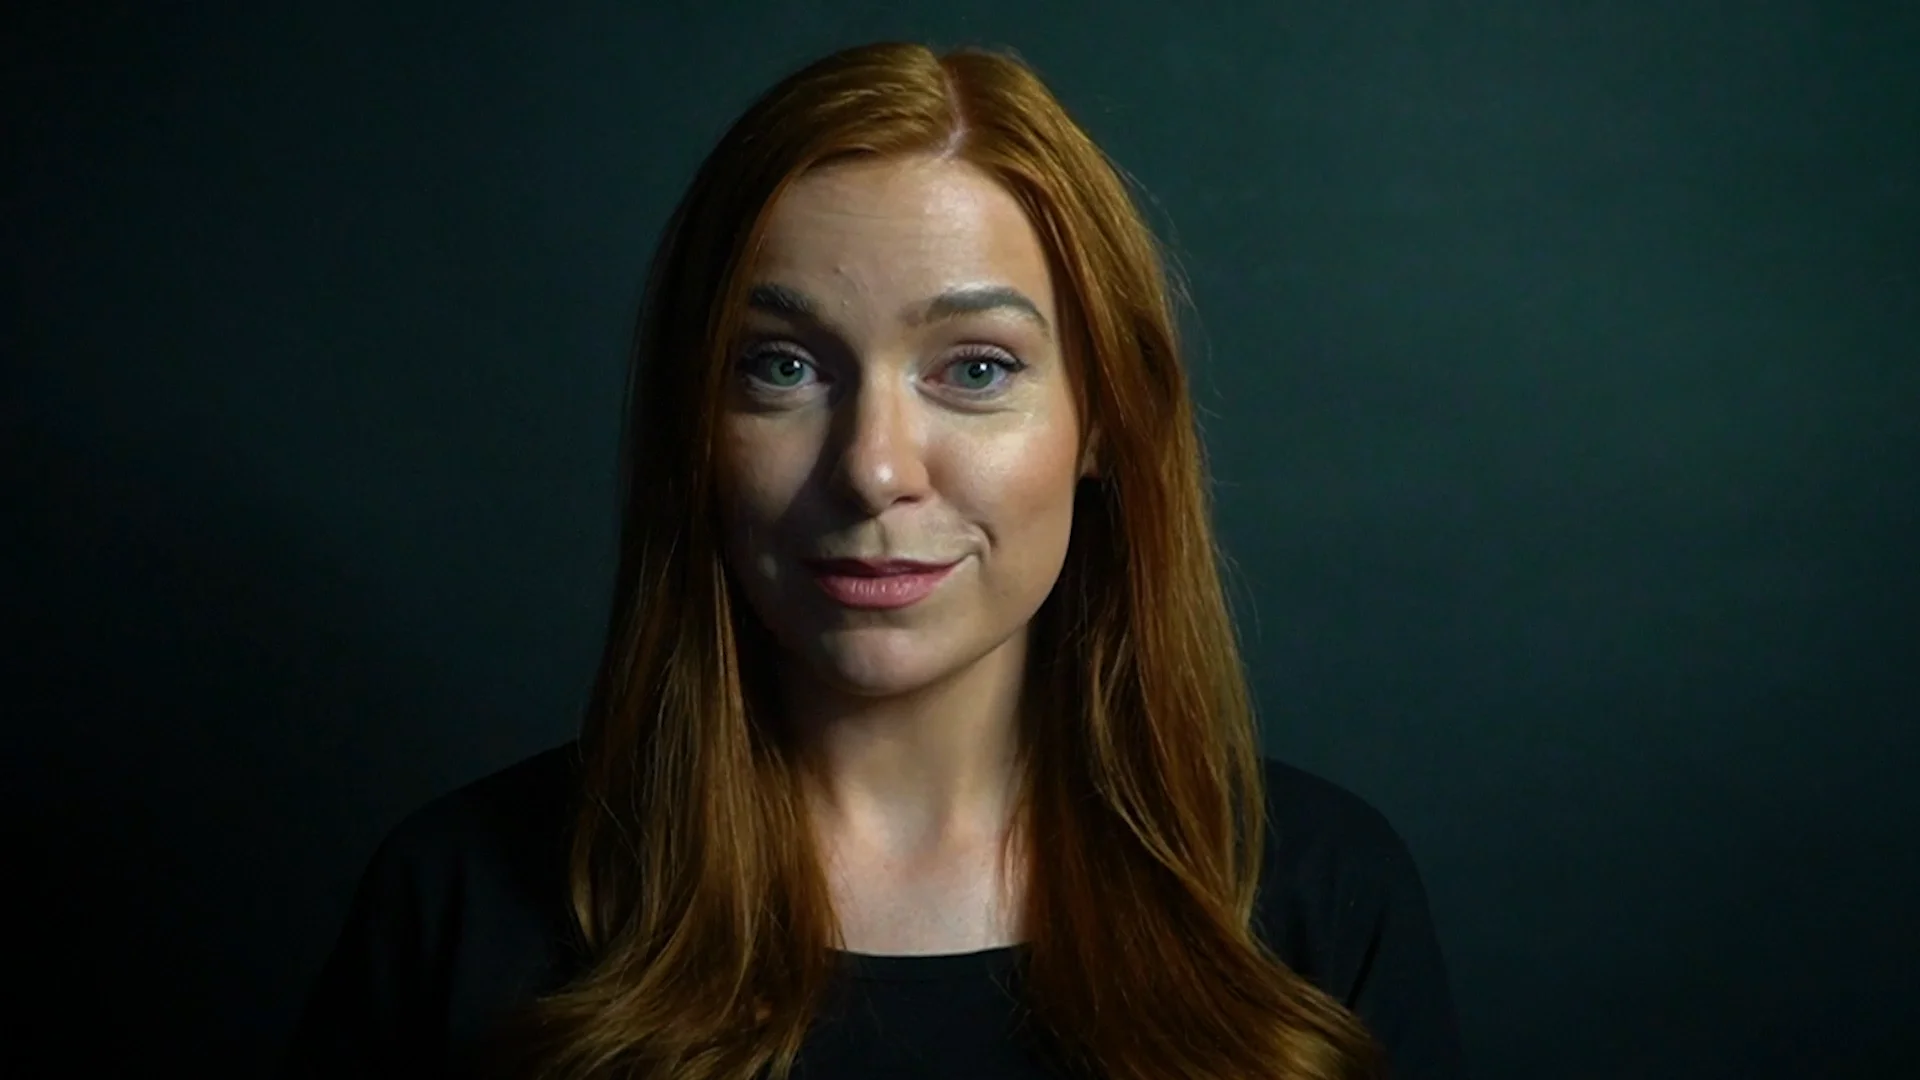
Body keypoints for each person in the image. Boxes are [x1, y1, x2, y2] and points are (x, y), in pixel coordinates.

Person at [282, 40, 1468, 1080]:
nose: (873, 467)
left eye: (977, 369)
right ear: (695, 423)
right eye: (783, 366)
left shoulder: (1318, 902)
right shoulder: (458, 904)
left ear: (1105, 418)